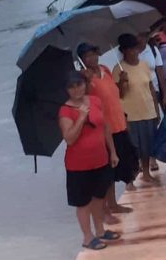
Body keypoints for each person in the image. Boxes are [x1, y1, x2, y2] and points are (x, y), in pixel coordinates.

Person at [58, 71, 120, 250]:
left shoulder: (95, 101)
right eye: (71, 86)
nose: (76, 89)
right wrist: (81, 118)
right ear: (67, 90)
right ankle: (87, 237)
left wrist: (113, 152)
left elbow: (105, 127)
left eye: (79, 84)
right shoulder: (65, 111)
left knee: (99, 197)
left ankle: (100, 231)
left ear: (85, 84)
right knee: (83, 202)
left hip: (100, 158)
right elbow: (69, 138)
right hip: (79, 165)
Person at [77, 43, 138, 225]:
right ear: (81, 60)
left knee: (118, 167)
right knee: (105, 174)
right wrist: (86, 82)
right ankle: (103, 212)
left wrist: (123, 81)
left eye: (94, 54)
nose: (92, 58)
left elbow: (117, 94)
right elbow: (84, 100)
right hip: (103, 130)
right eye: (87, 56)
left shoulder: (105, 69)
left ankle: (113, 204)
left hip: (118, 123)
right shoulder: (82, 78)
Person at [112, 34, 160, 184]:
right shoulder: (118, 69)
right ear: (123, 51)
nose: (133, 52)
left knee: (147, 146)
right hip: (130, 114)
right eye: (128, 50)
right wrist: (121, 81)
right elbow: (118, 94)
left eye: (134, 49)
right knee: (132, 149)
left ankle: (146, 173)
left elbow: (151, 87)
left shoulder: (144, 65)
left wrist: (156, 109)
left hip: (147, 110)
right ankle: (130, 180)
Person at [137, 32, 166, 113]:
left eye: (145, 35)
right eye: (141, 35)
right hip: (139, 93)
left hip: (155, 91)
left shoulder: (153, 49)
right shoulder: (130, 52)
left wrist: (165, 96)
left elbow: (160, 73)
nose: (144, 38)